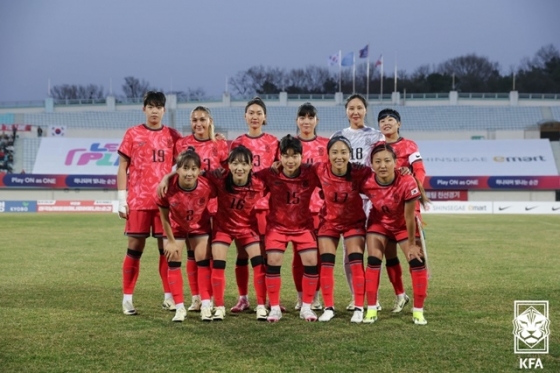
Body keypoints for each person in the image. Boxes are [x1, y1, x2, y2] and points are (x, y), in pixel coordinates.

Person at [117, 91, 182, 316]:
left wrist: (216, 138)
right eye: (150, 106)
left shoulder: (173, 135)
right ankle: (127, 299)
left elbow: (189, 156)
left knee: (167, 250)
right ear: (144, 109)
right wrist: (120, 199)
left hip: (165, 203)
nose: (155, 111)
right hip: (138, 201)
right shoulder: (132, 134)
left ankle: (168, 296)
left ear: (164, 110)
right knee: (135, 249)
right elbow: (122, 168)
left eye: (159, 107)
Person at [360, 142, 429, 325]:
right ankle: (372, 309)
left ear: (396, 162)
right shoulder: (366, 182)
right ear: (372, 164)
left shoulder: (407, 181)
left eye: (387, 161)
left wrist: (413, 244)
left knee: (416, 260)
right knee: (373, 260)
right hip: (379, 224)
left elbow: (409, 216)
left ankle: (418, 311)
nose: (382, 165)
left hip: (403, 225)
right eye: (377, 161)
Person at [256, 135, 320, 322]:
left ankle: (306, 307)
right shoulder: (270, 173)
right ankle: (275, 307)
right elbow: (245, 179)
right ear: (279, 157)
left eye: (294, 156)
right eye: (286, 155)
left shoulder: (311, 172)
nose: (290, 160)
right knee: (273, 260)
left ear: (302, 155)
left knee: (311, 259)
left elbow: (332, 175)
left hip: (303, 226)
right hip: (277, 227)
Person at [331, 93, 384, 311]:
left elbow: (384, 162)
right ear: (346, 111)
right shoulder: (338, 136)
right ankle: (355, 296)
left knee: (373, 250)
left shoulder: (376, 136)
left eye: (359, 108)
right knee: (350, 251)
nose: (355, 112)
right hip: (347, 202)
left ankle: (373, 296)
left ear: (365, 110)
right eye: (351, 108)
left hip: (371, 200)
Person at [173, 106, 228, 312]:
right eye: (195, 120)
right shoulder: (182, 144)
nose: (198, 124)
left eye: (202, 119)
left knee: (211, 255)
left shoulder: (220, 144)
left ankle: (211, 298)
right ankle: (196, 297)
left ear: (210, 121)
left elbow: (227, 173)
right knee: (191, 254)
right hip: (190, 209)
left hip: (214, 206)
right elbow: (175, 171)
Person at [312, 136, 372, 323]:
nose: (339, 156)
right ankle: (329, 308)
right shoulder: (319, 169)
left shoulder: (360, 171)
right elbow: (296, 174)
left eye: (343, 152)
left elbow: (382, 176)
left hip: (353, 223)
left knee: (355, 262)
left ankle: (359, 307)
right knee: (327, 264)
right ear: (328, 155)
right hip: (328, 222)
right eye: (334, 152)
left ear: (350, 154)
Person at [206, 145, 269, 321]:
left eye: (243, 163)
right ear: (229, 165)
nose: (239, 167)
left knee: (258, 264)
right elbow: (194, 172)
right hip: (223, 228)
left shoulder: (259, 183)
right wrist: (168, 177)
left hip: (248, 228)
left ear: (251, 166)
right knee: (218, 264)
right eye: (234, 163)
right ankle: (219, 307)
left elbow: (276, 179)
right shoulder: (220, 178)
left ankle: (261, 306)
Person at [228, 97, 279, 313]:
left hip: (267, 206)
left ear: (265, 117)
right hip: (243, 208)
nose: (255, 116)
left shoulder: (274, 142)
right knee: (242, 253)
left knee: (266, 255)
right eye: (251, 112)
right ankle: (243, 298)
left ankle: (269, 299)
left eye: (259, 113)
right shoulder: (237, 142)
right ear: (245, 116)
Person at [155, 148, 215, 322]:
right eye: (185, 168)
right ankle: (180, 308)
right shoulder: (166, 189)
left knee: (203, 262)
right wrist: (171, 242)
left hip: (200, 227)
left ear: (199, 170)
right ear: (178, 169)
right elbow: (164, 218)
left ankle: (205, 305)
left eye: (193, 169)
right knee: (173, 259)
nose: (189, 173)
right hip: (176, 229)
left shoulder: (206, 186)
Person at [376, 108, 427, 313]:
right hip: (384, 211)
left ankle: (419, 303)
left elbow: (420, 170)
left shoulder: (409, 145)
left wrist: (413, 184)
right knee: (389, 256)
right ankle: (400, 295)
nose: (386, 123)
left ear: (399, 124)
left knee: (414, 255)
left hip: (407, 210)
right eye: (382, 121)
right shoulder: (377, 147)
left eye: (390, 120)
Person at [292, 102, 329, 311]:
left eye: (310, 117)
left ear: (317, 120)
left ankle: (314, 297)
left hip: (322, 210)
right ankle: (300, 297)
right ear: (297, 121)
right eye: (302, 117)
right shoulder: (288, 144)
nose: (306, 121)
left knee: (320, 257)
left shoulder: (326, 145)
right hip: (296, 211)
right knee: (300, 257)